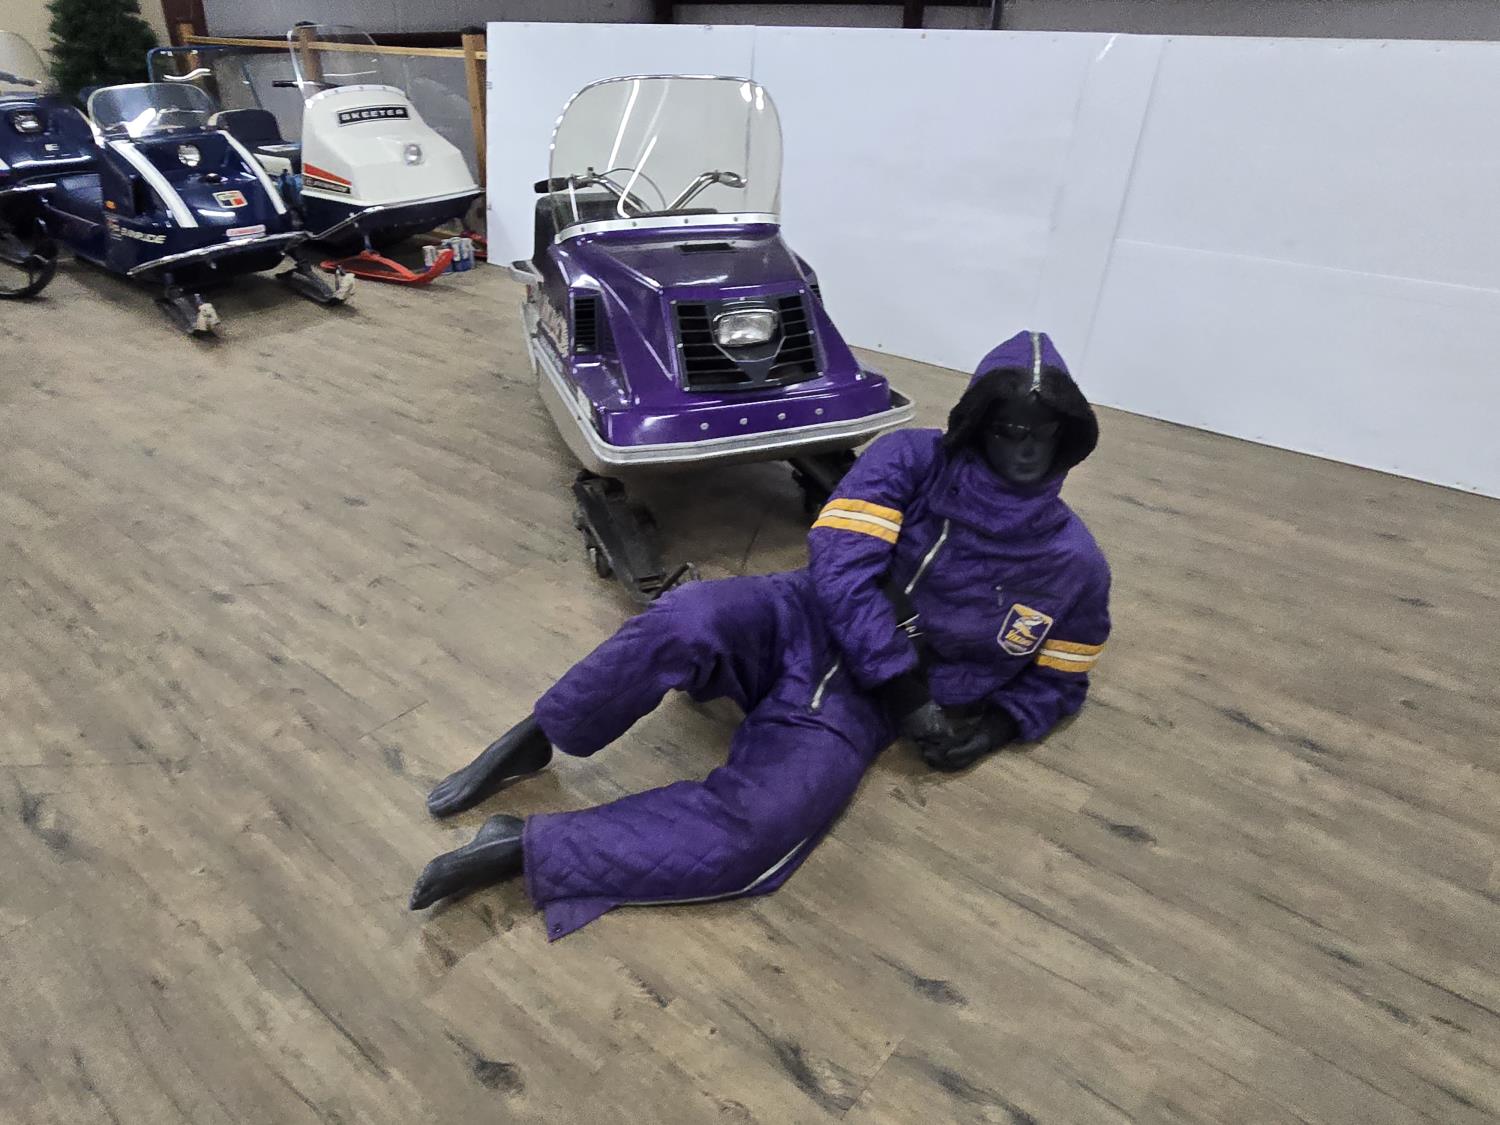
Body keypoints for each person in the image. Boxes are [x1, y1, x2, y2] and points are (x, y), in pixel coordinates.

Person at [410, 330, 1111, 939]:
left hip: (855, 707)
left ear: (1068, 438)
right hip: (800, 617)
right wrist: (909, 693)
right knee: (685, 616)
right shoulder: (910, 458)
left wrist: (990, 729)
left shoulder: (1074, 565)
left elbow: (1060, 676)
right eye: (1008, 429)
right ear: (978, 424)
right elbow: (840, 564)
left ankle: (525, 846)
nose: (1025, 448)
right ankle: (538, 733)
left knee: (761, 830)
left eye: (1042, 433)